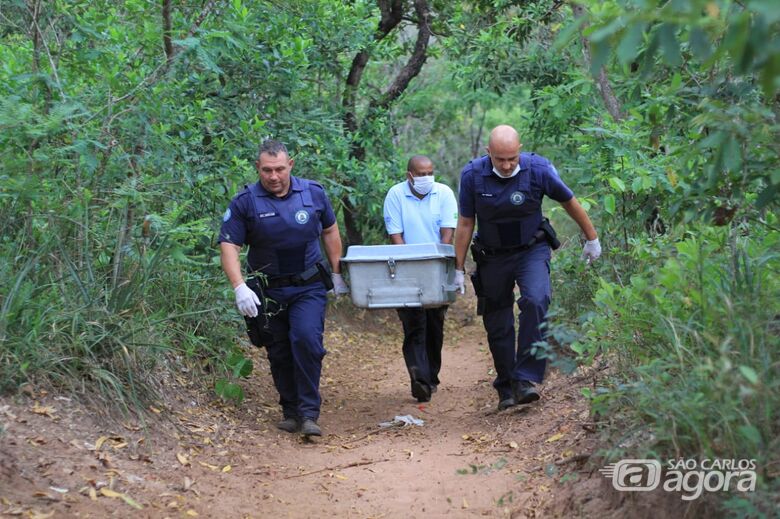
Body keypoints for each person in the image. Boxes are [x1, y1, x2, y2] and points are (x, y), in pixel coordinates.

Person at [453, 125, 601, 410]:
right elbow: (465, 223)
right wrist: (457, 267)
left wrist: (591, 238)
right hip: (492, 256)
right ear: (488, 154)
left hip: (531, 250)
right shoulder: (472, 176)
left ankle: (525, 379)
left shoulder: (538, 169)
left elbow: (569, 201)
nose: (507, 165)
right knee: (498, 320)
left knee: (536, 299)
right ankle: (506, 384)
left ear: (519, 150)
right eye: (500, 159)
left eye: (512, 158)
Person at [218, 139, 349, 437]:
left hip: (308, 284)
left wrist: (338, 272)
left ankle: (308, 413)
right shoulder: (245, 202)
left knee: (306, 340)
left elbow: (330, 230)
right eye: (267, 170)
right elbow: (229, 244)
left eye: (279, 169)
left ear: (290, 165)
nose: (273, 177)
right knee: (278, 350)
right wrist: (239, 287)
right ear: (258, 168)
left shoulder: (313, 193)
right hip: (266, 289)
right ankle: (290, 411)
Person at [382, 155, 459, 402]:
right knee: (414, 324)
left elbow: (447, 234)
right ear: (410, 176)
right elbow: (396, 235)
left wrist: (435, 265)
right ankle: (419, 378)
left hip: (436, 268)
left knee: (434, 324)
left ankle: (431, 376)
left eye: (430, 173)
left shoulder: (444, 194)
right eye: (421, 174)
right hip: (405, 269)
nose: (426, 178)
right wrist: (409, 266)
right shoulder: (395, 195)